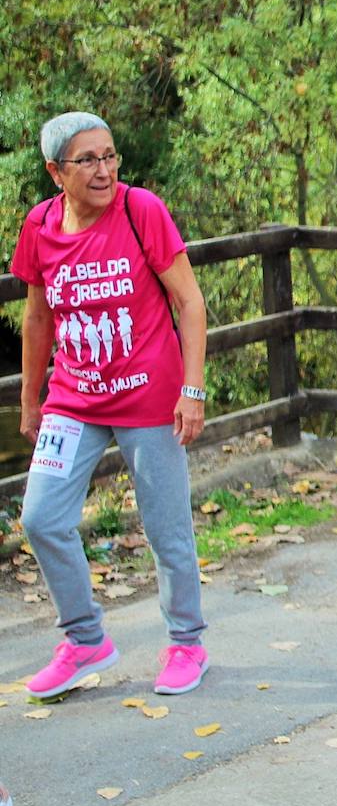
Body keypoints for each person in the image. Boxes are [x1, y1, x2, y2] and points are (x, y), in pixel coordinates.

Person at [13, 112, 209, 699]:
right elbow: (38, 316)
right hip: (73, 399)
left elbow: (190, 303)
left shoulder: (138, 209)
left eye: (110, 156)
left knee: (166, 528)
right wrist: (31, 401)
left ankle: (186, 642)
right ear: (55, 172)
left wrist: (192, 390)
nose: (104, 171)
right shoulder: (40, 225)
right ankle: (84, 639)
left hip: (149, 398)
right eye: (87, 160)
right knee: (41, 518)